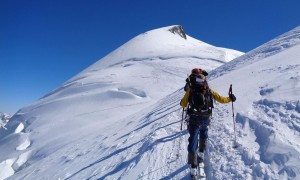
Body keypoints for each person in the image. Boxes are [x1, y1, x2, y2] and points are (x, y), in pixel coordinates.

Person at [180, 68, 236, 176]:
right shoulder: (209, 90)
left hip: (193, 118)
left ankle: (193, 166)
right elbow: (221, 99)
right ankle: (201, 153)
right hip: (205, 117)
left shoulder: (190, 90)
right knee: (204, 134)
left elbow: (183, 104)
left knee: (193, 140)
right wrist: (230, 99)